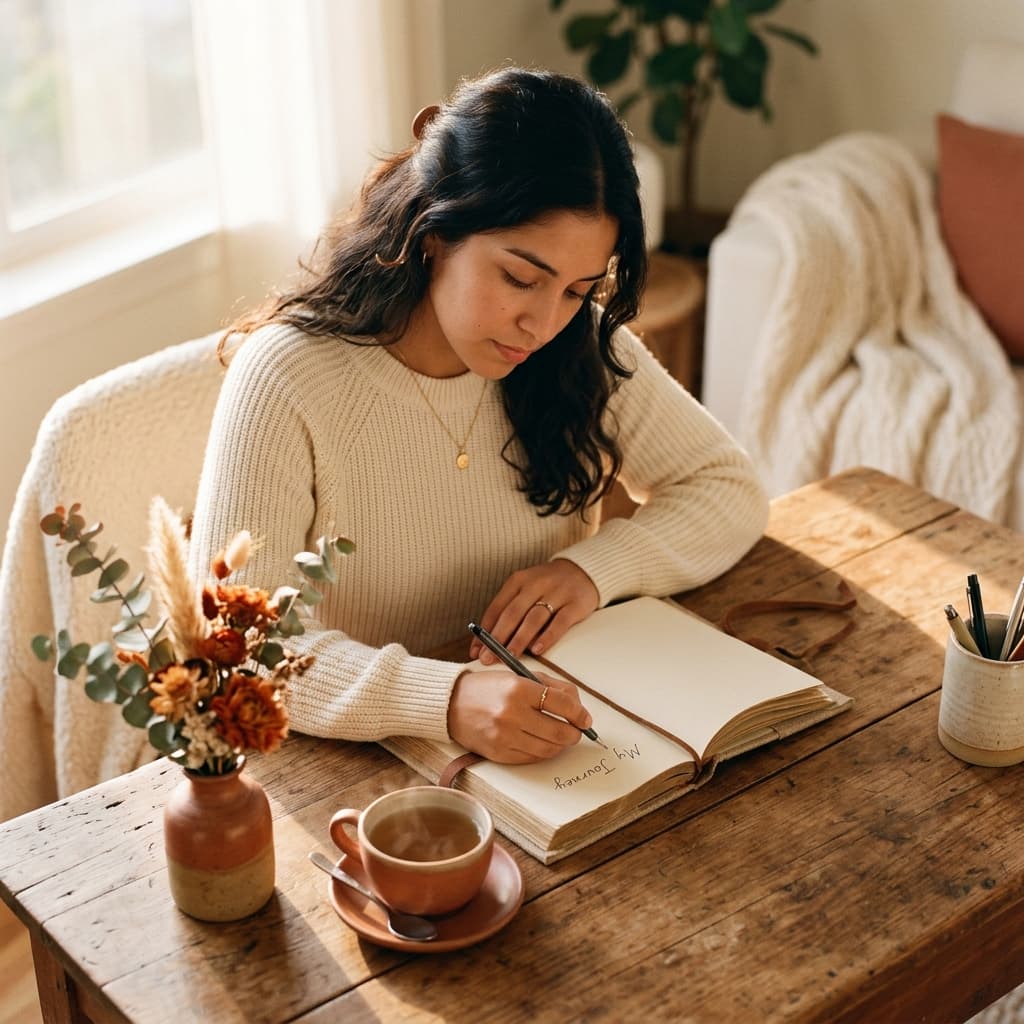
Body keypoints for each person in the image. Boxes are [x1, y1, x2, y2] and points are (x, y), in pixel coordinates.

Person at [188, 66, 768, 767]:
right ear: (436, 230)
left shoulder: (576, 343)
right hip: (350, 768)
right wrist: (447, 699)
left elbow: (727, 489)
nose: (543, 321)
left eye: (578, 289)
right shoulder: (288, 376)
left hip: (546, 732)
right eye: (520, 278)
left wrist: (593, 572)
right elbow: (241, 650)